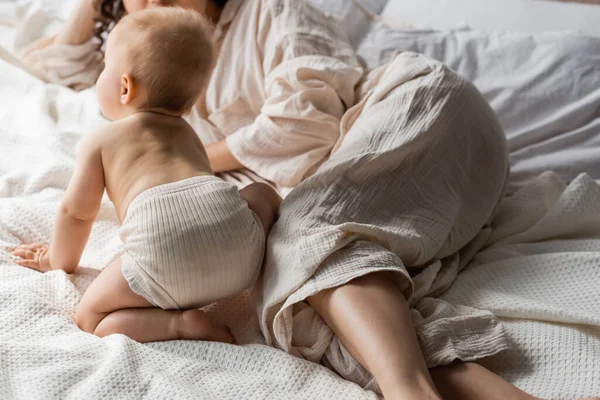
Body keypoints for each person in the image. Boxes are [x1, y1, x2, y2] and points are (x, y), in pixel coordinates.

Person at [20, 1, 600, 400]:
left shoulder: (268, 11)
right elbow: (60, 65)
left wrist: (193, 161)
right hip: (376, 194)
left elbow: (304, 122)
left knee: (302, 236)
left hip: (418, 112)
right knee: (291, 309)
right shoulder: (157, 68)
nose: (144, 4)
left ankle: (407, 392)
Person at [13, 7, 281, 345]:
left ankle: (180, 325)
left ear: (124, 88)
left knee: (90, 318)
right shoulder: (190, 135)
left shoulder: (101, 140)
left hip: (164, 257)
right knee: (259, 192)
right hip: (242, 260)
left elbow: (76, 213)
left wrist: (56, 259)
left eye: (105, 67)